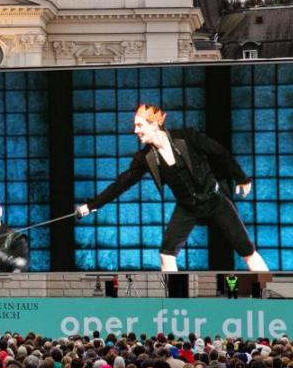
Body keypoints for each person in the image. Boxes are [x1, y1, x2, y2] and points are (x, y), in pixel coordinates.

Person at [75, 103, 269, 272]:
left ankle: (265, 295)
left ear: (155, 123)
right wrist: (90, 206)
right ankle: (175, 301)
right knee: (166, 255)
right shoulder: (145, 158)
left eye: (139, 125)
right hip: (187, 207)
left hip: (214, 199)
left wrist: (242, 178)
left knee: (247, 251)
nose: (135, 131)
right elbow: (121, 184)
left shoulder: (186, 137)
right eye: (135, 126)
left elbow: (219, 152)